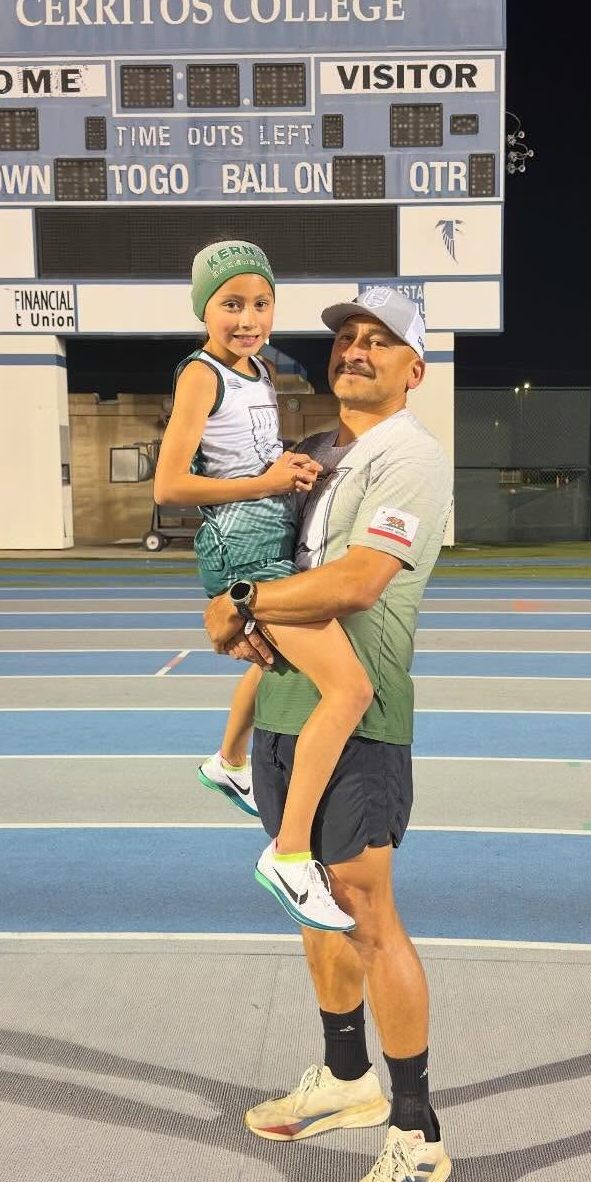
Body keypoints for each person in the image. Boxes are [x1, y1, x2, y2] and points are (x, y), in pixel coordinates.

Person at [202, 286, 454, 1182]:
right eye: (347, 337)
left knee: (367, 914)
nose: (355, 350)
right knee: (312, 903)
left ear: (413, 369)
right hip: (285, 706)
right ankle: (347, 1078)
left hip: (359, 718)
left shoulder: (411, 457)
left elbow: (357, 582)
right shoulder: (321, 452)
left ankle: (417, 1133)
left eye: (379, 341)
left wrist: (240, 604)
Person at [154, 240, 372, 933]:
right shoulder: (201, 374)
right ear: (204, 309)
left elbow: (250, 456)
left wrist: (286, 470)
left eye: (261, 303)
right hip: (240, 542)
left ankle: (228, 760)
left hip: (268, 527)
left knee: (277, 660)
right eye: (231, 304)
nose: (248, 318)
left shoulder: (261, 369)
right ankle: (289, 853)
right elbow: (170, 486)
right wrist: (267, 482)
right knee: (350, 689)